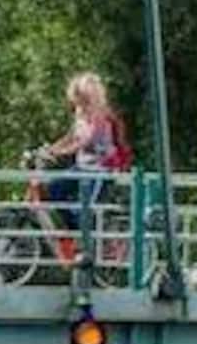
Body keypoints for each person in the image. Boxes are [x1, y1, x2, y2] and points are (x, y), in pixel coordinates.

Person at [38, 71, 131, 240]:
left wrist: (62, 152)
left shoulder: (101, 116)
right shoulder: (80, 113)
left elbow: (86, 140)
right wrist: (51, 149)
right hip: (82, 167)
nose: (81, 105)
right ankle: (75, 232)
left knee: (88, 210)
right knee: (53, 190)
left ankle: (90, 242)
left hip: (100, 169)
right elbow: (71, 136)